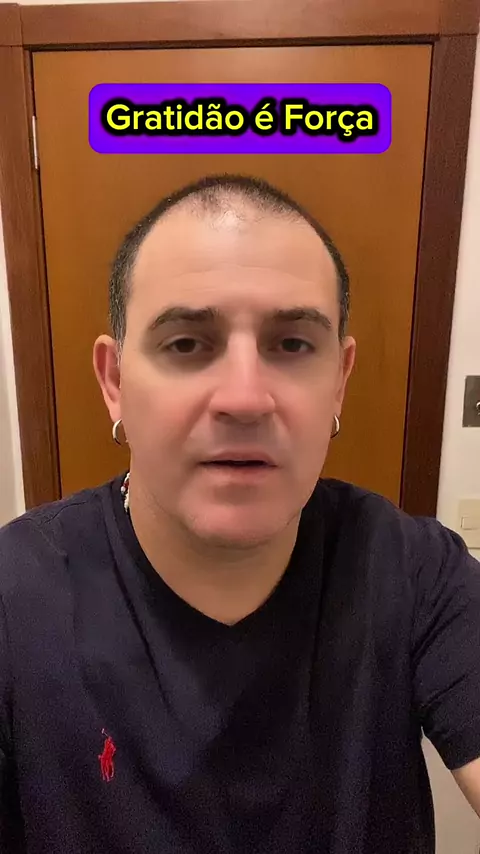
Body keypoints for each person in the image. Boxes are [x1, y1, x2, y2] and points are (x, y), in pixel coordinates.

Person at [0, 173, 479, 854]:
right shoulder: (14, 596)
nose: (245, 399)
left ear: (339, 381)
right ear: (114, 382)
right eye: (186, 344)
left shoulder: (415, 571)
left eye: (292, 345)